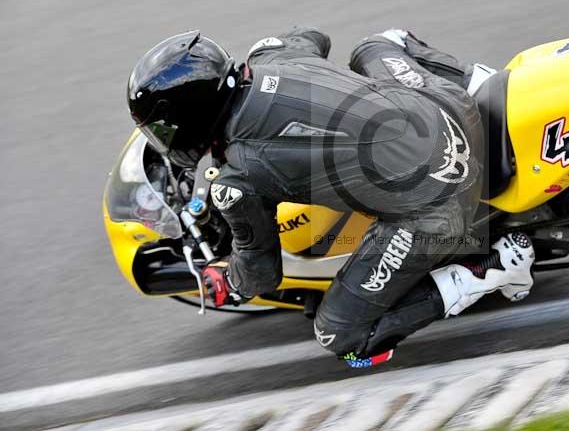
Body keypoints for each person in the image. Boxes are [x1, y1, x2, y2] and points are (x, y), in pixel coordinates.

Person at [127, 27, 535, 367]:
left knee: (341, 337)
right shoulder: (275, 55)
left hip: (440, 208)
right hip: (449, 108)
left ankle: (497, 266)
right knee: (379, 42)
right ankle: (480, 81)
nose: (162, 138)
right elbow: (313, 36)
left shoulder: (237, 181)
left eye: (161, 129)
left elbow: (260, 274)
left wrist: (224, 278)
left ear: (189, 118)